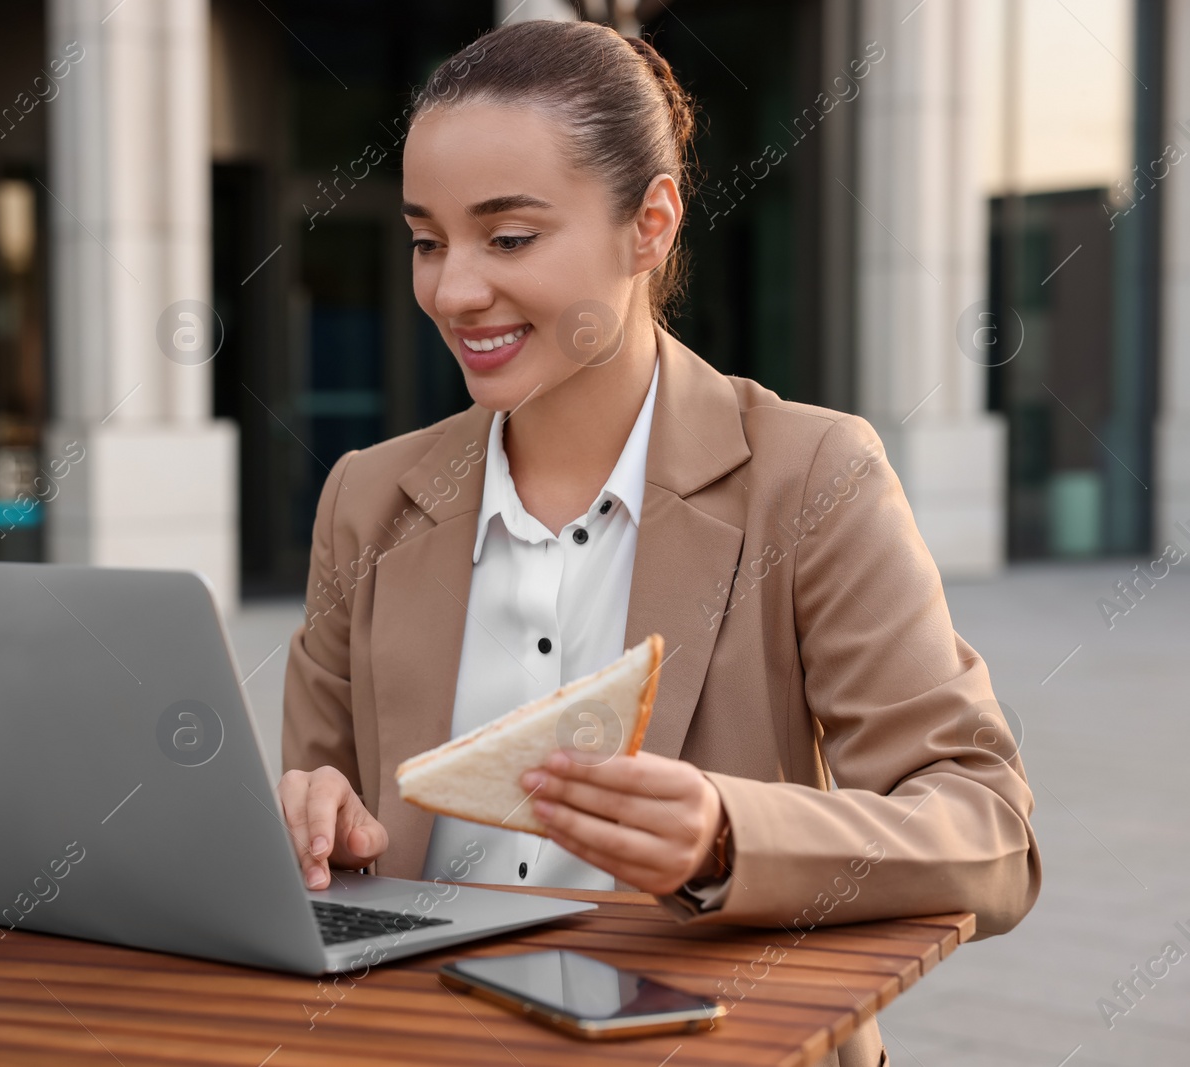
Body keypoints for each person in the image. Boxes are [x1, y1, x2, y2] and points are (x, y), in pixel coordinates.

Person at [278, 20, 1039, 1067]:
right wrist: (300, 821)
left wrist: (728, 835)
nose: (453, 290)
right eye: (425, 239)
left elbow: (988, 830)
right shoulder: (365, 499)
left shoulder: (813, 476)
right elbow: (320, 828)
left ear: (651, 223)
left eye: (507, 238)